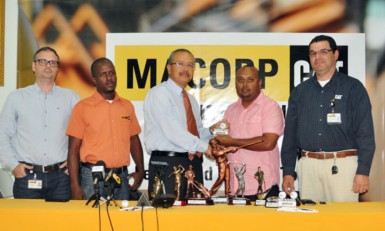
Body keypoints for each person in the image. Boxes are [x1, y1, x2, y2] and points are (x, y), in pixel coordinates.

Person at [281, 35, 375, 202]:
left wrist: (363, 171)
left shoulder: (353, 88)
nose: (318, 57)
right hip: (308, 166)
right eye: (313, 53)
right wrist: (288, 171)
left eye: (324, 51)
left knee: (344, 223)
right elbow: (290, 136)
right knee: (311, 223)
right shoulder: (299, 92)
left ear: (336, 54)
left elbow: (366, 135)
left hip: (344, 166)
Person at [0, 47, 79, 200]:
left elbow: (81, 136)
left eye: (52, 62)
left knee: (60, 223)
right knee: (27, 223)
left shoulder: (71, 98)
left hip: (61, 178)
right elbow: (2, 134)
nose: (48, 65)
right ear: (33, 66)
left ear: (57, 68)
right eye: (42, 61)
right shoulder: (16, 98)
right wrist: (13, 165)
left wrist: (75, 163)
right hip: (27, 177)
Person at [144, 48, 218, 199]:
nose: (186, 69)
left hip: (192, 163)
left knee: (193, 217)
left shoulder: (191, 100)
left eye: (190, 65)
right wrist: (205, 147)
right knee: (167, 219)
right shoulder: (159, 94)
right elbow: (173, 132)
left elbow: (195, 132)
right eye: (180, 64)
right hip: (168, 166)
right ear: (169, 68)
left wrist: (211, 131)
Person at [66, 57, 144, 200]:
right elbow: (73, 150)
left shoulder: (127, 106)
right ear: (94, 79)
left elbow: (133, 139)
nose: (109, 78)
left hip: (121, 178)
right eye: (103, 74)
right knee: (91, 222)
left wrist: (140, 170)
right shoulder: (82, 108)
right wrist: (75, 186)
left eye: (112, 73)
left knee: (121, 221)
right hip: (92, 178)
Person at [215, 65, 284, 200]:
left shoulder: (270, 107)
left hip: (262, 187)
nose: (244, 85)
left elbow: (268, 143)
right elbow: (225, 142)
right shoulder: (231, 110)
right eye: (240, 80)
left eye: (250, 80)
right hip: (234, 188)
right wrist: (217, 146)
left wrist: (232, 142)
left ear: (259, 83)